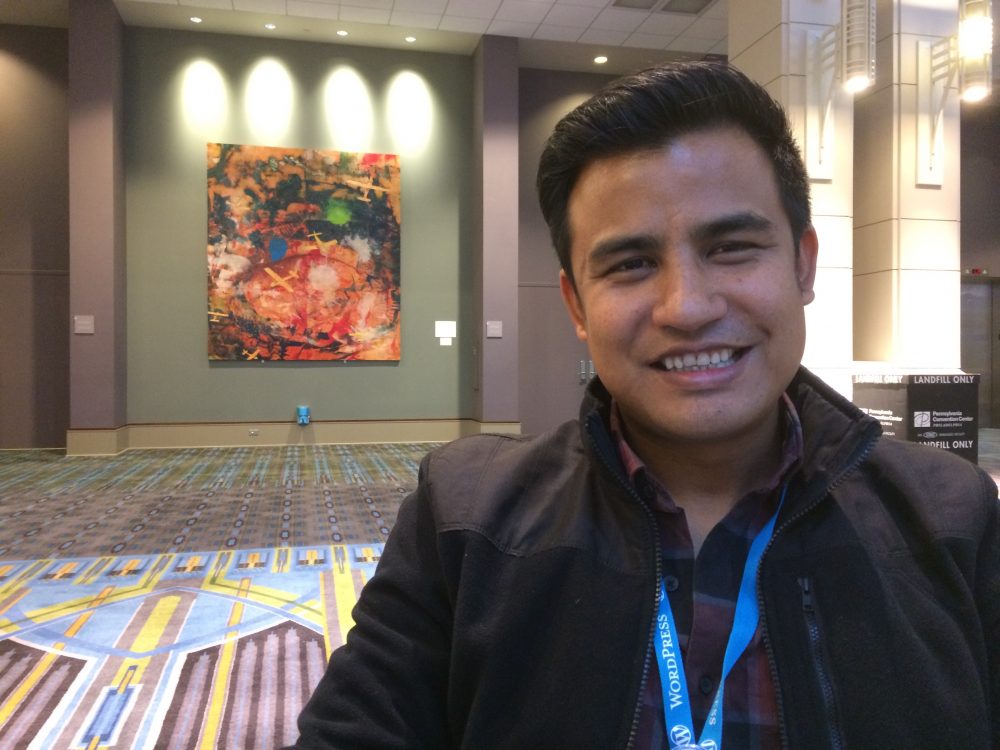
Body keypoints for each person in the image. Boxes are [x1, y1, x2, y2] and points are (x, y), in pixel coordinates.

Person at [287, 62, 1000, 749]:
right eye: (630, 264)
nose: (686, 307)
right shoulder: (464, 521)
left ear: (802, 264)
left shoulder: (953, 522)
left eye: (732, 247)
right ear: (576, 304)